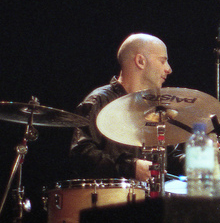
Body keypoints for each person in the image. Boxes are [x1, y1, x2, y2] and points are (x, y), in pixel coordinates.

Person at [69, 33, 173, 183]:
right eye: (163, 61)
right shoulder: (99, 101)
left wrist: (202, 155)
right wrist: (129, 168)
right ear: (140, 61)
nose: (169, 69)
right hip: (108, 201)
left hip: (149, 201)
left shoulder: (156, 108)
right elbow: (81, 155)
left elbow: (172, 156)